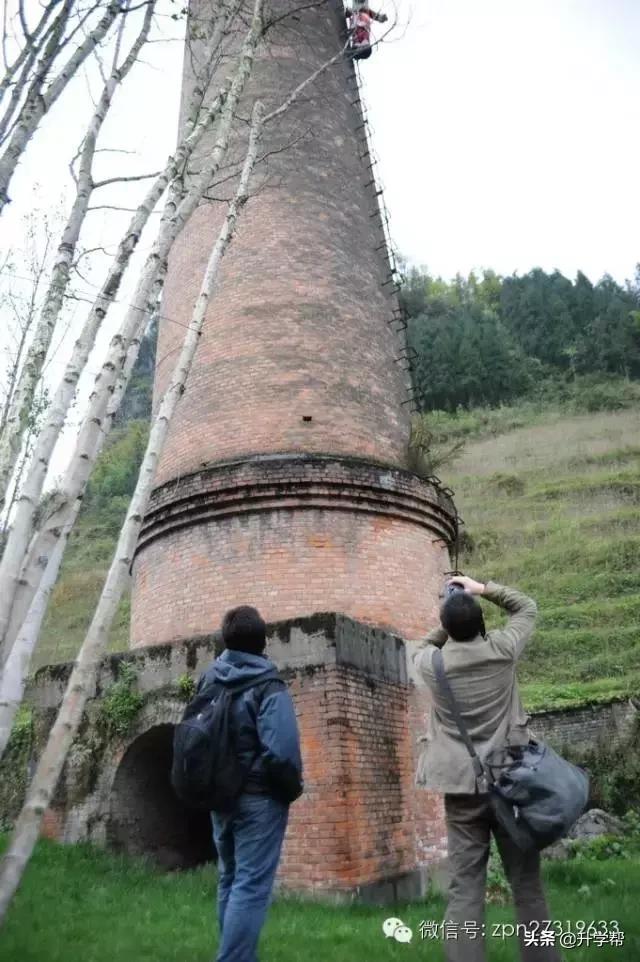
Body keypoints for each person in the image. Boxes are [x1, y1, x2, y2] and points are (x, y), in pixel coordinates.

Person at [413, 576, 561, 962]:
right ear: (481, 623)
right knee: (526, 884)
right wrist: (480, 589)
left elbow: (422, 646)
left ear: (447, 628)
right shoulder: (503, 649)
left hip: (462, 790)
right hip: (513, 784)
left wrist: (448, 618)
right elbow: (526, 606)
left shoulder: (432, 664)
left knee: (465, 888)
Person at [198, 605, 303, 962]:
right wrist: (289, 790)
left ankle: (237, 954)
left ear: (225, 640)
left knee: (229, 878)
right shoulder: (268, 684)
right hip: (258, 798)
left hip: (219, 795)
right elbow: (282, 750)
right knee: (250, 885)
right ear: (263, 641)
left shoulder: (208, 679)